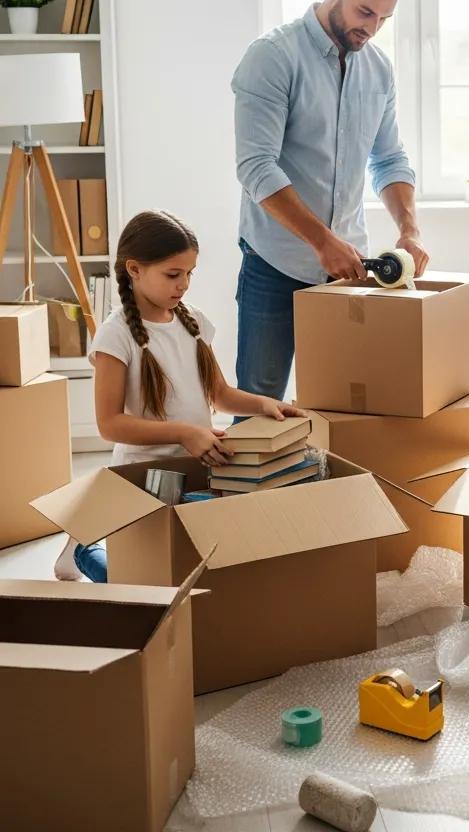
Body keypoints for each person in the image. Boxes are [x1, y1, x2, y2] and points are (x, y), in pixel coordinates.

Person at [53, 210, 304, 583]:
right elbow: (109, 424)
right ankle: (81, 550)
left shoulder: (193, 321)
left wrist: (264, 403)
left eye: (189, 274)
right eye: (173, 274)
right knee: (148, 588)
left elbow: (219, 394)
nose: (183, 284)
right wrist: (186, 433)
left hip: (194, 467)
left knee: (202, 571)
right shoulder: (115, 335)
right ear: (134, 269)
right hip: (143, 475)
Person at [232, 0, 429, 400]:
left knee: (348, 403)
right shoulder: (272, 57)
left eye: (383, 19)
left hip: (349, 269)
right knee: (261, 403)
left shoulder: (378, 70)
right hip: (274, 263)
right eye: (364, 12)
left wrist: (410, 229)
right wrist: (321, 240)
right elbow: (255, 166)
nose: (371, 29)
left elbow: (389, 158)